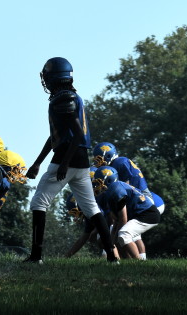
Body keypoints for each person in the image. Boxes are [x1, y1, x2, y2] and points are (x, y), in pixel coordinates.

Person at [26, 57, 117, 264]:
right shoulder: (70, 96)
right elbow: (57, 136)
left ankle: (36, 256)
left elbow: (77, 134)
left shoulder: (62, 99)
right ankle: (112, 257)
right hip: (81, 160)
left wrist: (64, 163)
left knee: (38, 203)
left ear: (53, 77)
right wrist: (38, 162)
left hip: (67, 158)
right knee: (91, 208)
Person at [91, 166, 160, 260]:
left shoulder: (116, 189)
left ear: (109, 180)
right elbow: (116, 220)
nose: (96, 187)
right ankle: (129, 263)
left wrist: (113, 241)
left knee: (124, 234)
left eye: (98, 183)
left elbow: (123, 219)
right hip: (140, 214)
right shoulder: (110, 194)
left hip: (147, 213)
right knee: (120, 238)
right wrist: (111, 242)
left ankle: (139, 263)